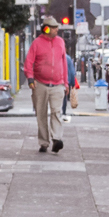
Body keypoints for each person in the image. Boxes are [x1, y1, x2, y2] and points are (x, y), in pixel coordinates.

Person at [25, 22, 69, 154]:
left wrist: (65, 83)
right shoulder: (37, 43)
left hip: (57, 84)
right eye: (54, 27)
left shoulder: (60, 42)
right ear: (46, 28)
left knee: (56, 112)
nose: (57, 29)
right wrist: (30, 78)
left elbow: (64, 63)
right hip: (40, 84)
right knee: (41, 114)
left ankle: (56, 139)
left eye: (57, 27)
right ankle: (44, 142)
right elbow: (29, 61)